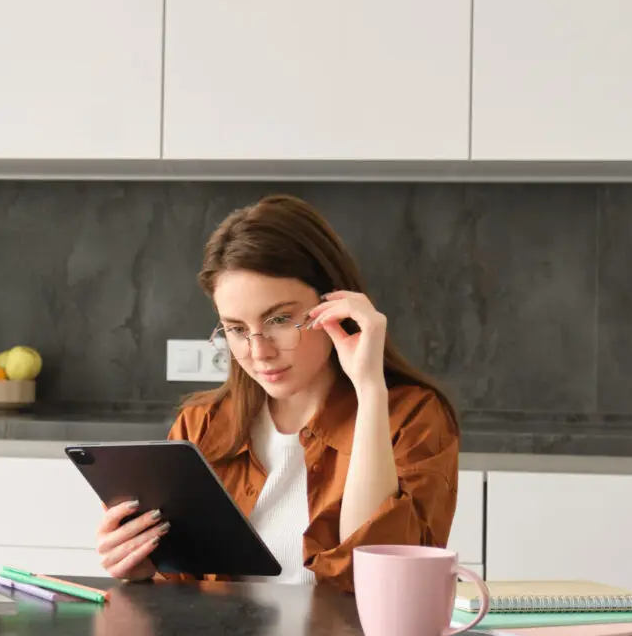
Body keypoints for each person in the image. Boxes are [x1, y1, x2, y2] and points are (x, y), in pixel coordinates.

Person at [95, 194, 460, 589]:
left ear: (335, 303)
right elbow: (184, 595)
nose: (258, 352)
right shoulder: (201, 426)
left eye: (280, 319)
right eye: (236, 329)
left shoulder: (412, 419)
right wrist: (144, 570)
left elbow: (382, 580)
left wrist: (369, 389)